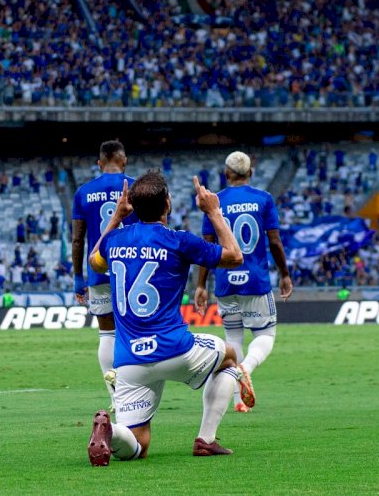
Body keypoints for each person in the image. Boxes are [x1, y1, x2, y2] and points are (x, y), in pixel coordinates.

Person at [86, 172, 253, 466]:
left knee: (138, 444)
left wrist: (115, 217)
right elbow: (234, 256)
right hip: (175, 350)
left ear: (133, 207)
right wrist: (213, 211)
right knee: (230, 356)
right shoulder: (179, 241)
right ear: (167, 203)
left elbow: (94, 260)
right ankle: (206, 440)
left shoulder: (114, 240)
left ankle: (111, 431)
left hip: (128, 360)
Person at [195, 151, 294, 413]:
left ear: (226, 173)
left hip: (226, 283)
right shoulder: (263, 199)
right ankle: (245, 369)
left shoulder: (214, 202)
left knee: (233, 339)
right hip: (256, 280)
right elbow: (274, 241)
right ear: (250, 173)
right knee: (265, 335)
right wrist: (284, 273)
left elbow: (208, 246)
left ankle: (239, 401)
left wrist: (201, 285)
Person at [71, 141, 137, 410]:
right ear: (124, 161)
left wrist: (78, 278)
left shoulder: (84, 192)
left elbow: (77, 240)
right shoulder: (137, 188)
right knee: (132, 333)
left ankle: (115, 398)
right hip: (132, 272)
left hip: (98, 271)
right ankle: (135, 394)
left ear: (100, 163)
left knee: (107, 334)